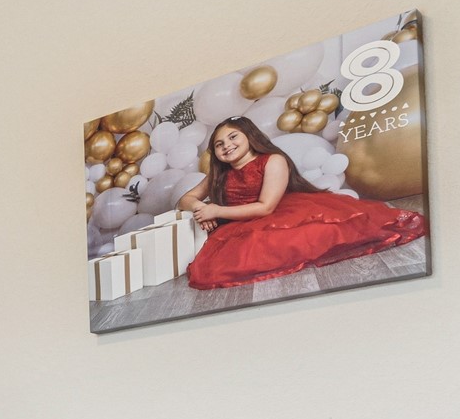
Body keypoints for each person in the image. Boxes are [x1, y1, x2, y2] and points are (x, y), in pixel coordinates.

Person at [178, 117, 426, 290]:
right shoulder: (219, 174)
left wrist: (217, 210)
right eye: (219, 145)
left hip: (271, 212)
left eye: (233, 137)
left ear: (249, 136)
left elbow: (266, 207)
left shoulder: (272, 160)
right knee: (225, 263)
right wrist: (201, 209)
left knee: (313, 235)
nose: (226, 146)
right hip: (237, 221)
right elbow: (184, 199)